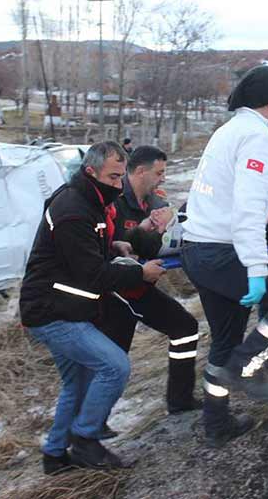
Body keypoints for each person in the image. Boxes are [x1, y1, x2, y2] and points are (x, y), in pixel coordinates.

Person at [180, 65, 268, 448]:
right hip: (224, 252)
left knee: (224, 342)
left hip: (197, 249)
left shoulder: (228, 131)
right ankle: (247, 366)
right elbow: (247, 210)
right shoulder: (258, 139)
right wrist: (257, 269)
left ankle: (217, 423)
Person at [20, 141, 166, 473]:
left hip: (64, 306)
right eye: (113, 178)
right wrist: (139, 272)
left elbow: (80, 253)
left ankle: (55, 455)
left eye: (120, 178)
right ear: (91, 172)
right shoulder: (74, 208)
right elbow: (92, 273)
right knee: (115, 367)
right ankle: (85, 439)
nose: (118, 185)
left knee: (79, 383)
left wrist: (112, 245)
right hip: (52, 311)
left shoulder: (90, 201)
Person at [96, 145, 201, 418]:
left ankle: (180, 401)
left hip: (138, 287)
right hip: (114, 292)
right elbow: (112, 249)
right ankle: (89, 427)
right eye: (159, 172)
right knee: (113, 361)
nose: (163, 178)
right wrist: (142, 232)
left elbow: (155, 247)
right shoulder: (114, 201)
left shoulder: (157, 202)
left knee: (185, 327)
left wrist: (169, 227)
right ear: (140, 171)